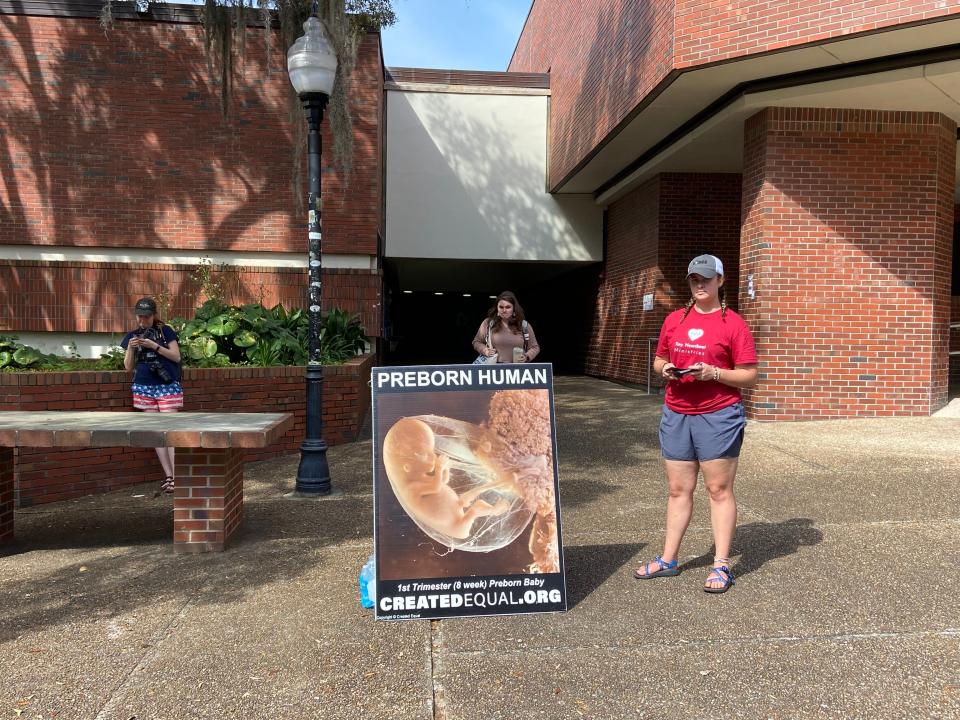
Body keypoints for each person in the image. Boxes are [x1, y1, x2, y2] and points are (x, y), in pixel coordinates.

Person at [634, 255, 758, 593]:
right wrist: (665, 370)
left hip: (718, 415)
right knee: (678, 490)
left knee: (718, 490)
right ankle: (668, 559)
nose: (699, 285)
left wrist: (714, 372)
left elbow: (749, 375)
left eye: (705, 278)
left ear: (720, 280)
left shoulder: (734, 324)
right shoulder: (675, 320)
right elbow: (659, 359)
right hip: (677, 413)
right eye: (693, 279)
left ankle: (721, 566)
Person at [120, 298, 183, 493]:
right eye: (140, 316)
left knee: (171, 432)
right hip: (144, 387)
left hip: (166, 385)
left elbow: (176, 356)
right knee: (156, 434)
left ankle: (179, 477)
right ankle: (169, 477)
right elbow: (128, 367)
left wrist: (153, 345)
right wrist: (131, 347)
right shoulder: (133, 335)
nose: (142, 320)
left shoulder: (165, 331)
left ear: (153, 315)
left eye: (146, 317)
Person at [472, 291, 540, 363]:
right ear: (497, 308)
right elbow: (476, 342)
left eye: (508, 307)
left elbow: (535, 347)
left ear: (514, 309)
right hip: (494, 369)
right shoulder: (488, 323)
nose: (504, 310)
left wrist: (527, 356)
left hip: (518, 370)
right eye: (501, 307)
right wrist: (485, 350)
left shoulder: (524, 325)